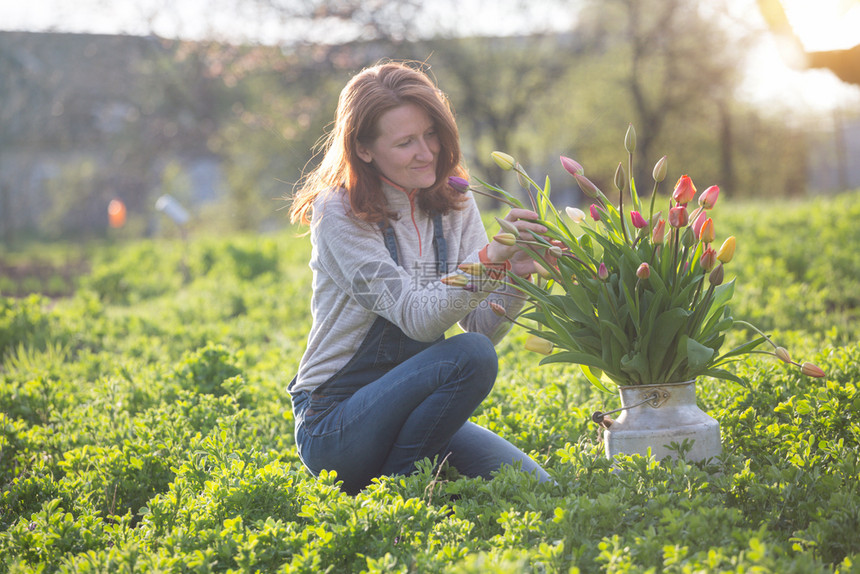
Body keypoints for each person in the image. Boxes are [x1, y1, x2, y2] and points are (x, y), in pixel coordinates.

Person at [288, 60, 552, 495]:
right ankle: (403, 490)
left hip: (419, 415)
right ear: (365, 150)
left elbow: (481, 324)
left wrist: (514, 275)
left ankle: (405, 478)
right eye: (406, 141)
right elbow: (418, 318)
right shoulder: (337, 212)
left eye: (430, 134)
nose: (426, 152)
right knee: (472, 354)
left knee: (537, 487)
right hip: (336, 424)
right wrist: (489, 258)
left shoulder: (455, 201)